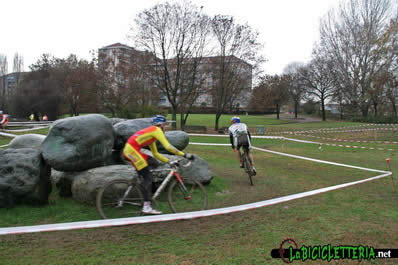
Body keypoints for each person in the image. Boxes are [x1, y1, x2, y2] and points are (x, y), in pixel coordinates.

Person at [122, 115, 194, 215]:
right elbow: (168, 147)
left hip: (132, 150)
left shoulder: (152, 134)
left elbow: (156, 154)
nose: (165, 127)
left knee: (153, 162)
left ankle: (144, 186)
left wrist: (169, 161)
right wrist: (185, 155)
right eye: (165, 125)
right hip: (131, 151)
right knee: (148, 177)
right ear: (161, 124)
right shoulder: (156, 130)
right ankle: (146, 207)